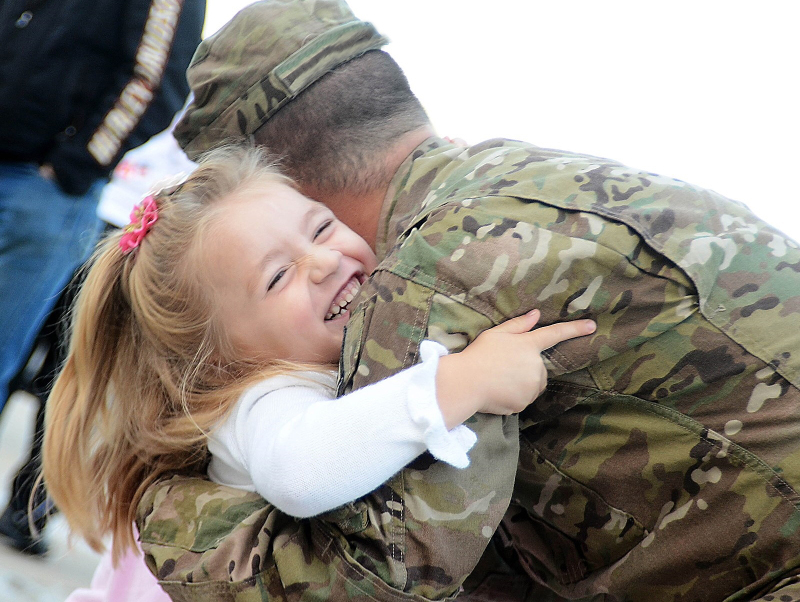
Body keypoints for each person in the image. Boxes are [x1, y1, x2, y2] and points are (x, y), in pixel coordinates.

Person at [134, 0, 800, 602]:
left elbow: (376, 579)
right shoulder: (514, 171)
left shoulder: (426, 277)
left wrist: (171, 511)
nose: (315, 262)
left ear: (281, 187)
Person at [41, 145, 594, 573]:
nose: (325, 260)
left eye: (322, 225)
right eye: (277, 276)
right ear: (218, 360)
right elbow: (300, 475)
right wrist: (461, 382)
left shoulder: (319, 342)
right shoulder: (258, 399)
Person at [0, 0, 206, 554]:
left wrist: (74, 164)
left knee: (60, 366)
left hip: (65, 200)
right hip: (26, 177)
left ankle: (30, 508)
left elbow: (157, 78)